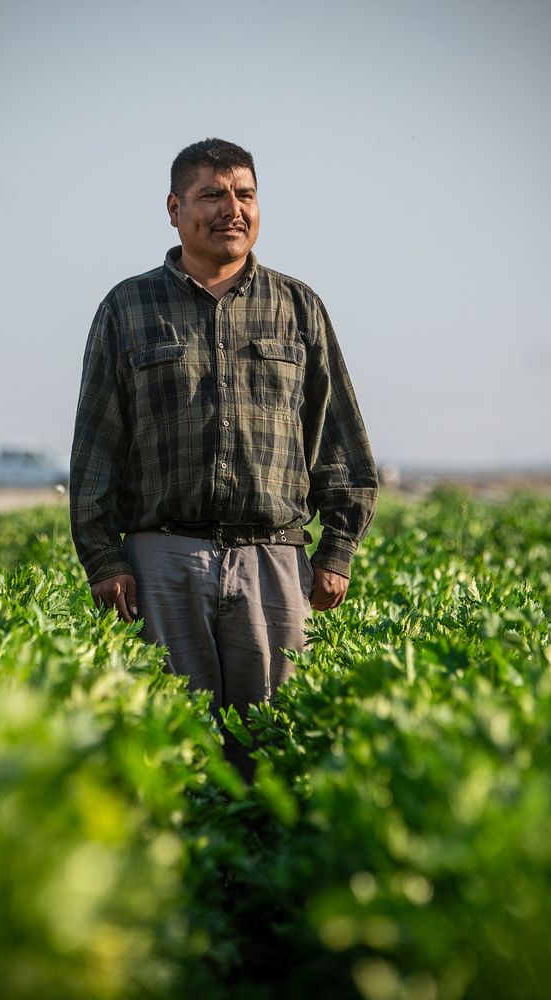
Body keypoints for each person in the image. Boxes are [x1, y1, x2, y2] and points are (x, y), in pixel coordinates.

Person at [70, 138, 378, 773]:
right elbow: (96, 448)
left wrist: (338, 551)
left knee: (274, 744)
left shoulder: (299, 307)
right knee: (175, 746)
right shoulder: (127, 308)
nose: (230, 209)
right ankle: (186, 867)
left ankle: (263, 869)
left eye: (244, 194)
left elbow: (342, 444)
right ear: (175, 208)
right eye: (211, 194)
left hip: (274, 558)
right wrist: (103, 557)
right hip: (163, 557)